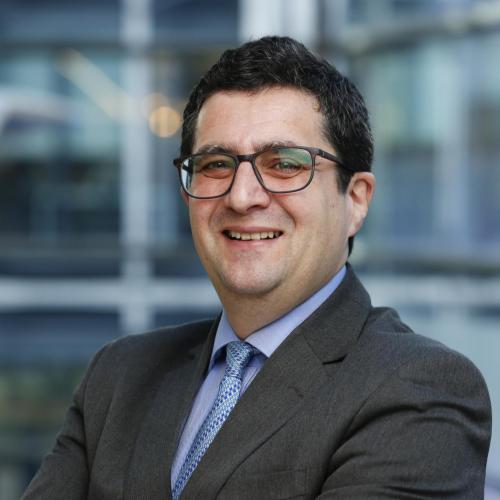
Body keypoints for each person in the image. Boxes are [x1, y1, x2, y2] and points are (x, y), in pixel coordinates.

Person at [23, 36, 491, 500]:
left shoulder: (420, 388)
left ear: (355, 200)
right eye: (216, 164)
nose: (242, 196)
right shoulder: (119, 375)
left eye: (284, 164)